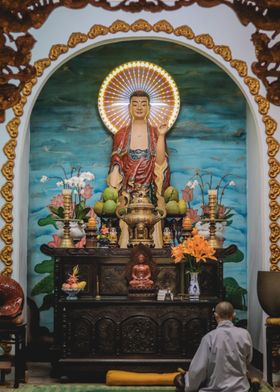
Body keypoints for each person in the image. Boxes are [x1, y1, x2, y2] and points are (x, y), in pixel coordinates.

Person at [107, 90, 171, 247]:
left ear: (149, 107)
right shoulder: (121, 134)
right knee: (126, 229)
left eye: (143, 104)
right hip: (129, 190)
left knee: (153, 227)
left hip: (149, 189)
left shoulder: (156, 132)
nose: (139, 107)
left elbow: (160, 163)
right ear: (129, 107)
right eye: (135, 104)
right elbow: (117, 161)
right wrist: (114, 185)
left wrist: (162, 136)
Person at [176, 301, 253, 392]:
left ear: (216, 316)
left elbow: (199, 370)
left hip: (214, 389)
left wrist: (189, 385)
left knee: (178, 380)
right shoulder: (245, 334)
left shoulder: (209, 338)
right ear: (234, 315)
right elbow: (248, 360)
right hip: (241, 388)